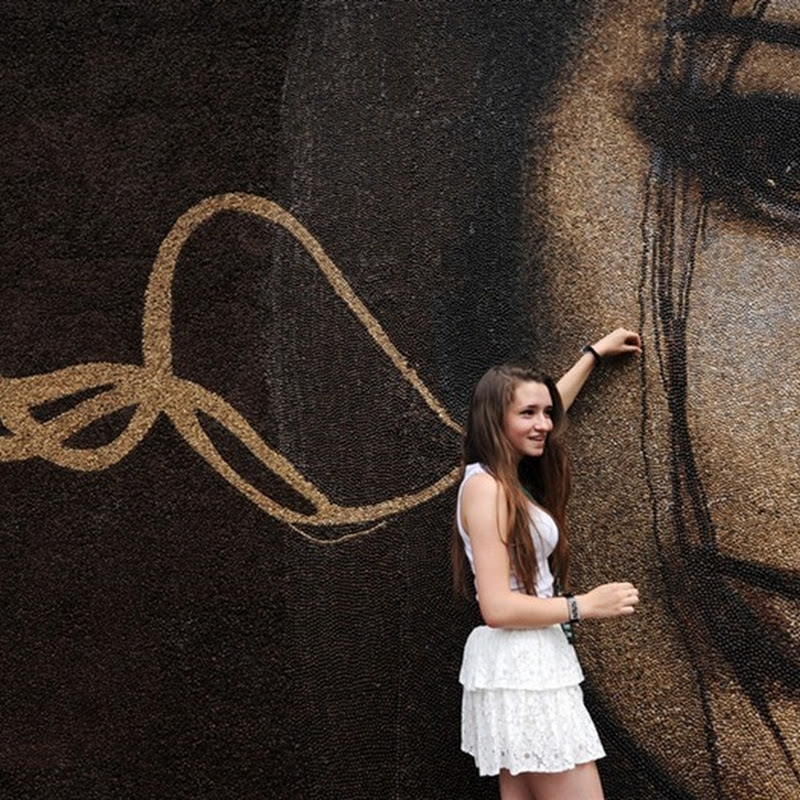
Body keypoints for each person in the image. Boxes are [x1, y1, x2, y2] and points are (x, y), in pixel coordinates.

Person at [452, 327, 642, 800]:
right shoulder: (488, 490)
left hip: (529, 665)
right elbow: (496, 606)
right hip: (524, 667)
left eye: (547, 414)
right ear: (495, 420)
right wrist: (584, 605)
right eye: (527, 414)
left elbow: (549, 406)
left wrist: (593, 356)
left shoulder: (500, 479)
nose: (544, 424)